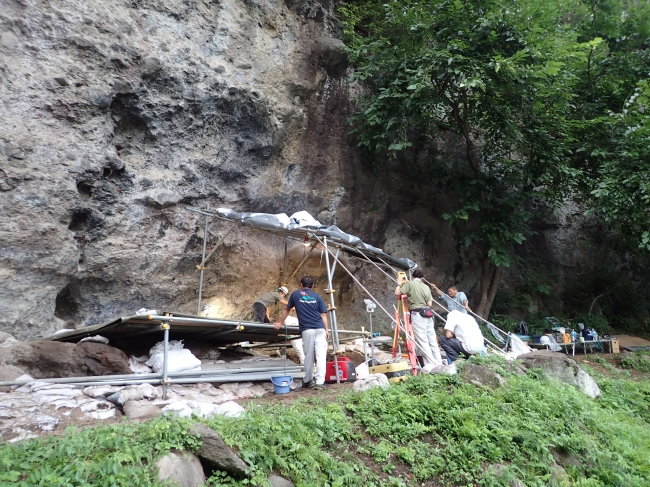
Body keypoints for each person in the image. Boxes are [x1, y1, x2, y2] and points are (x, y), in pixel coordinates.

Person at [274, 277, 329, 390]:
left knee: (308, 356)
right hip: (320, 328)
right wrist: (327, 330)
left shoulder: (295, 294)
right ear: (312, 286)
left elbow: (287, 309)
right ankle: (319, 383)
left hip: (307, 329)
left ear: (301, 284)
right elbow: (323, 314)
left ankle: (308, 380)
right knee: (321, 355)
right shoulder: (317, 296)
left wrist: (280, 322)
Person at [394, 269, 443, 367]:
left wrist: (399, 284)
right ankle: (438, 363)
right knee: (432, 340)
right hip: (428, 314)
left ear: (412, 277)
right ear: (422, 278)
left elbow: (397, 293)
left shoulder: (410, 284)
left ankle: (430, 365)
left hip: (417, 314)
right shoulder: (426, 287)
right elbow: (429, 303)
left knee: (422, 340)